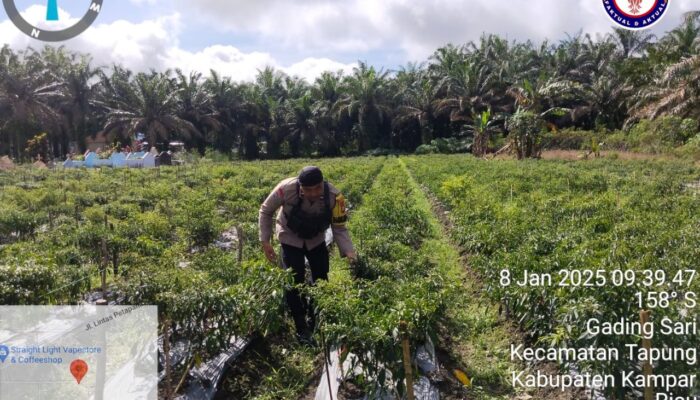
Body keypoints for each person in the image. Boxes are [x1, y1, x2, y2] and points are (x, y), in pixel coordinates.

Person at [259, 166, 356, 344]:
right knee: (293, 281)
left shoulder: (335, 197)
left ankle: (316, 318)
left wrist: (350, 252)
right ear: (300, 186)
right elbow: (265, 210)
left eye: (317, 188)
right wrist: (265, 241)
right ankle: (300, 326)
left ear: (322, 184)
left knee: (321, 278)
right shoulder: (285, 189)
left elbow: (339, 228)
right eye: (307, 189)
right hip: (289, 236)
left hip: (316, 238)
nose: (313, 193)